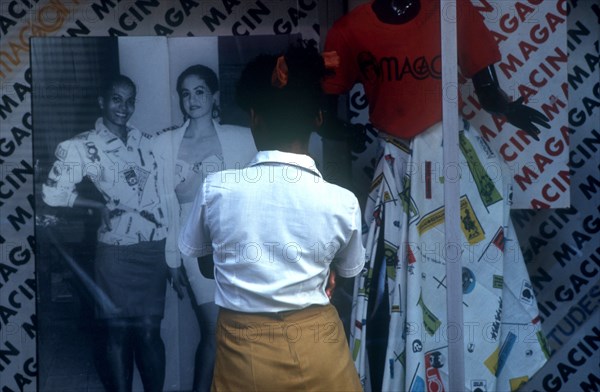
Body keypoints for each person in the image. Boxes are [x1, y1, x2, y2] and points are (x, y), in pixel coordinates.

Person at [321, 1, 550, 391]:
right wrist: (348, 133)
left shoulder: (453, 11)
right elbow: (326, 110)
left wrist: (510, 109)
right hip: (395, 168)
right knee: (388, 290)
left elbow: (488, 90)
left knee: (476, 278)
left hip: (453, 168)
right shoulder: (348, 30)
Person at [178, 41, 365, 391]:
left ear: (253, 118)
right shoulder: (343, 201)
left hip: (245, 355)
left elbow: (207, 267)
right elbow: (346, 275)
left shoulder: (216, 189)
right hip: (322, 351)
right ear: (318, 119)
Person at [42, 75, 170, 392]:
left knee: (150, 329)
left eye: (129, 100)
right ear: (102, 100)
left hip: (153, 245)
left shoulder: (147, 141)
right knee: (117, 331)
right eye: (116, 98)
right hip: (114, 249)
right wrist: (95, 205)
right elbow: (52, 195)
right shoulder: (82, 145)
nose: (123, 107)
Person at [153, 64, 256, 392]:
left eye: (199, 92)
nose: (192, 99)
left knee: (243, 332)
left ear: (214, 96)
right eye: (185, 93)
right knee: (215, 331)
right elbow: (163, 207)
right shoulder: (164, 144)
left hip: (238, 244)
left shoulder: (242, 138)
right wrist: (171, 259)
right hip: (193, 244)